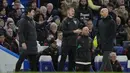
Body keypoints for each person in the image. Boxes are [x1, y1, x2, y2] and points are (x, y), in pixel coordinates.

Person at [58, 6, 83, 71]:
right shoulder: (65, 21)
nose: (73, 12)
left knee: (72, 60)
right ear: (68, 11)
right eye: (72, 10)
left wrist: (80, 31)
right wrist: (74, 31)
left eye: (74, 11)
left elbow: (80, 27)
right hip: (66, 44)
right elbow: (64, 32)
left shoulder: (76, 20)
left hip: (74, 43)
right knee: (63, 59)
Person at [15, 7, 38, 71]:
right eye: (33, 12)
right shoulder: (23, 21)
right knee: (21, 60)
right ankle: (16, 71)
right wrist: (22, 42)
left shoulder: (32, 21)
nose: (34, 13)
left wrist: (46, 21)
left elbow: (38, 25)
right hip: (26, 44)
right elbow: (20, 32)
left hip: (33, 45)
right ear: (28, 12)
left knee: (33, 63)